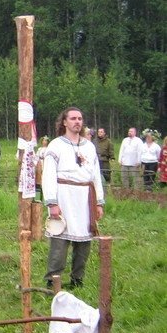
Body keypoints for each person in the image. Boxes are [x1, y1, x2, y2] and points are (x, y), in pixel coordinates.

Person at [42, 107, 104, 288]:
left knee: (84, 240)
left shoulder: (89, 147)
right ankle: (53, 281)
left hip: (84, 197)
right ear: (64, 122)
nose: (77, 121)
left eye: (80, 118)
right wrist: (52, 202)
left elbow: (96, 176)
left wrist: (98, 202)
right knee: (60, 239)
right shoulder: (56, 145)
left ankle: (77, 280)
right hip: (63, 195)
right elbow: (48, 175)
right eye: (73, 118)